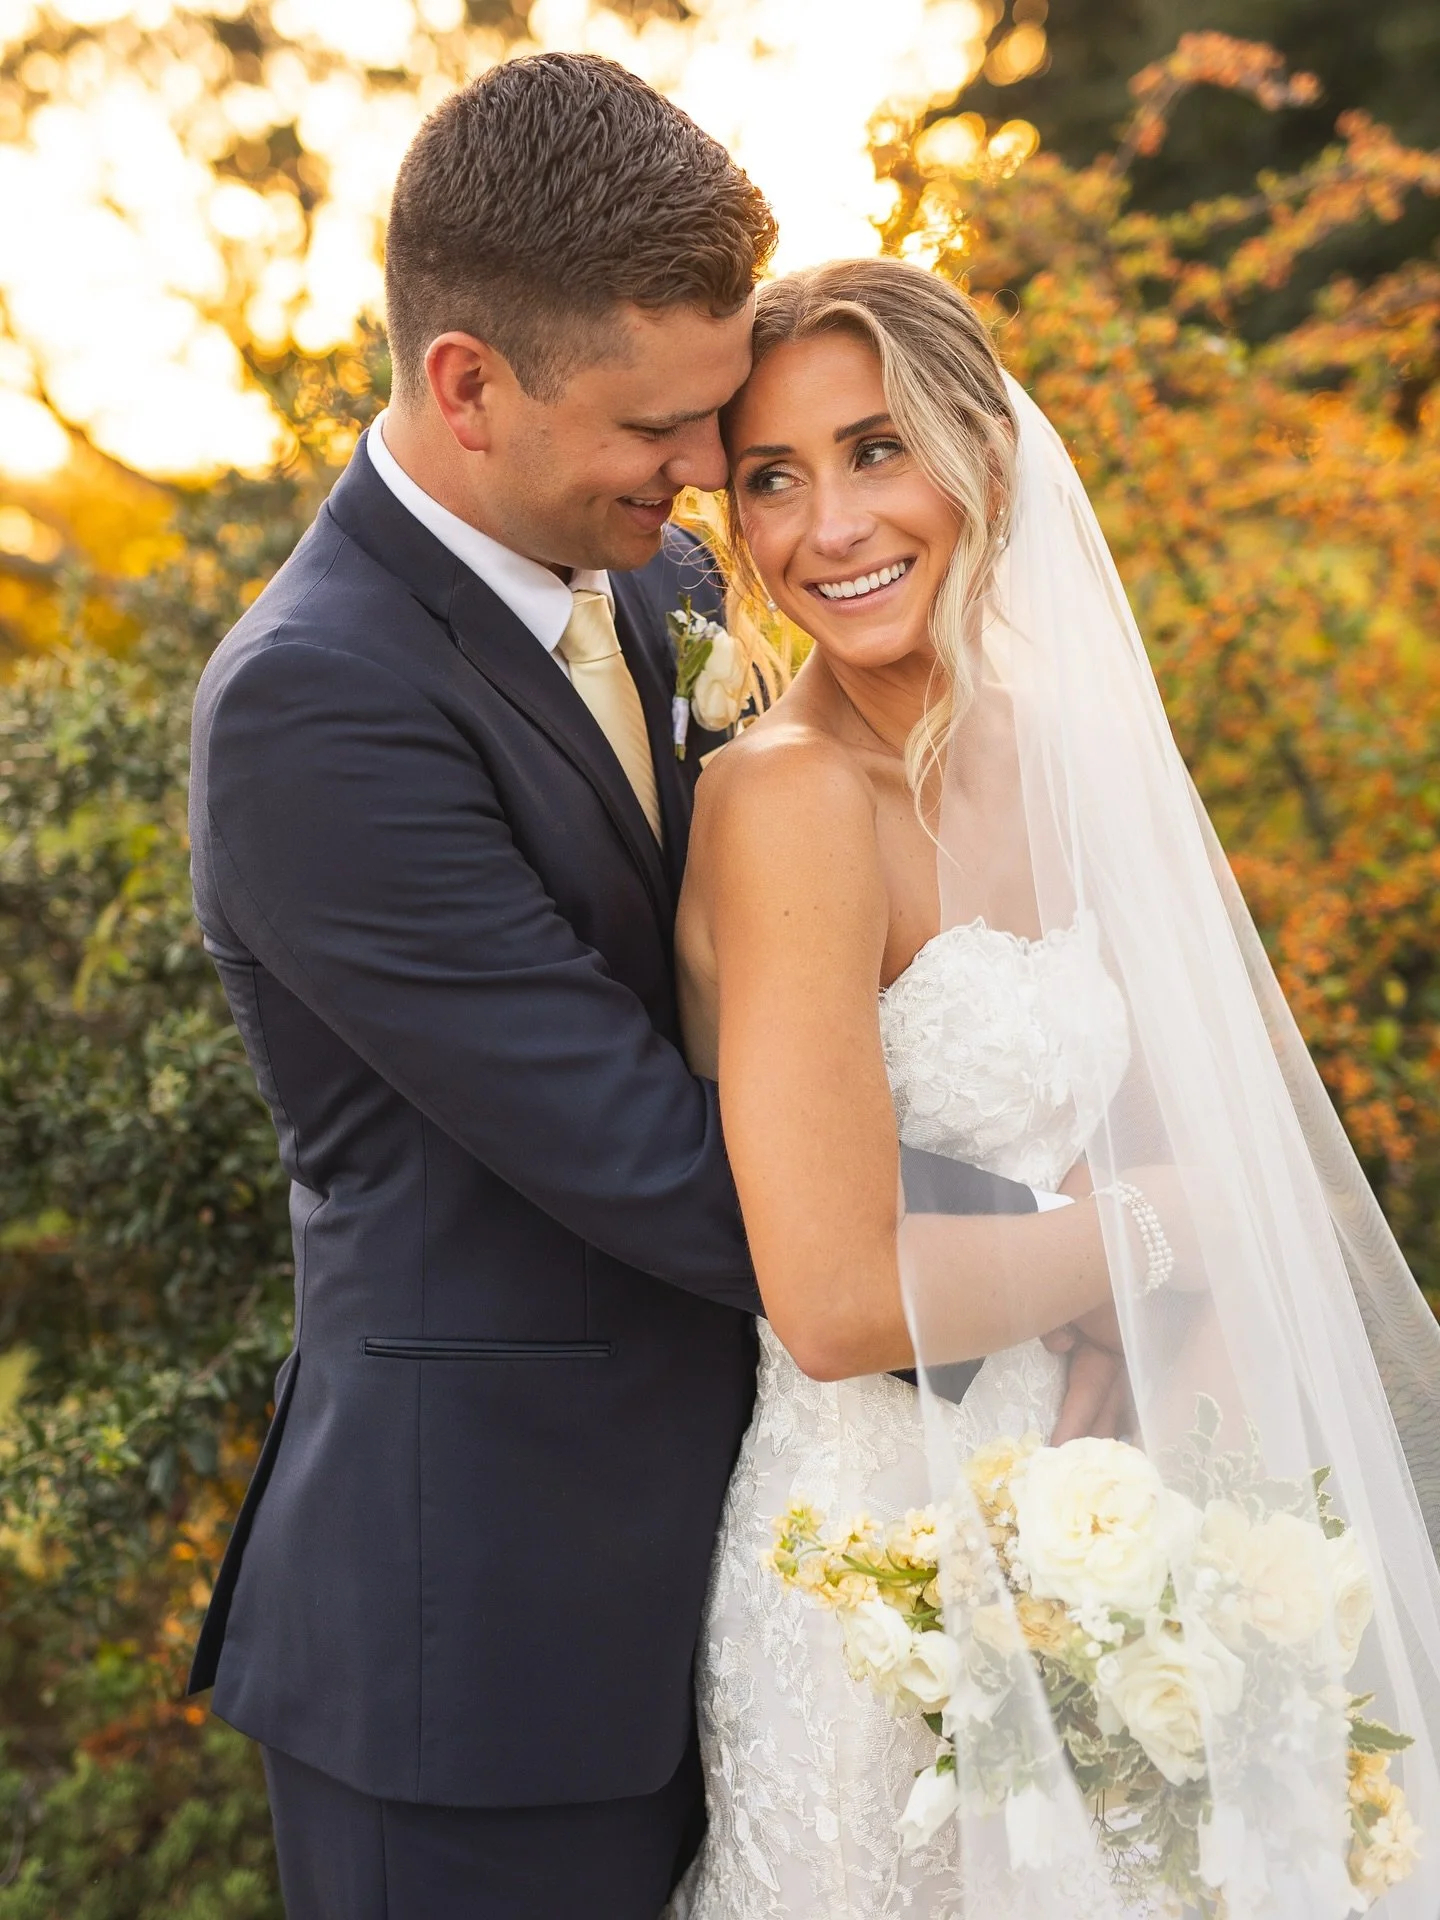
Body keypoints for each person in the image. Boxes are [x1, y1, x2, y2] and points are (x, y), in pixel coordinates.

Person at [185, 59, 1114, 1920]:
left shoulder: (657, 587)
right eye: (664, 426)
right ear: (470, 386)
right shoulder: (318, 704)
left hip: (779, 1561)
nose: (707, 473)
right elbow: (664, 1158)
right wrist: (1104, 1258)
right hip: (486, 1652)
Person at [669, 258, 1440, 1917]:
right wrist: (1156, 1232)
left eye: (878, 450)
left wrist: (1211, 1569)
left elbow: (1208, 1160)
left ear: (988, 456)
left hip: (1117, 1526)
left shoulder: (1077, 761)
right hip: (873, 1558)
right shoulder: (786, 800)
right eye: (772, 479)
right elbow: (840, 1299)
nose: (829, 527)